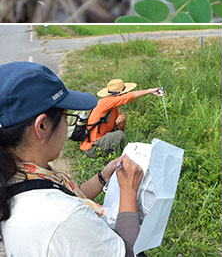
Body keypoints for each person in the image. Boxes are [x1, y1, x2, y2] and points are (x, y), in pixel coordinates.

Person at [0, 61, 145, 256]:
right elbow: (127, 252)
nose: (67, 123)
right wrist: (129, 190)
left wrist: (103, 175)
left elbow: (65, 194)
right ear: (42, 126)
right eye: (65, 116)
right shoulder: (64, 218)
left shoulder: (15, 175)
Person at [80, 78, 162, 158]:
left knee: (120, 134)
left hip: (99, 141)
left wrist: (123, 118)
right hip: (91, 147)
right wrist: (150, 91)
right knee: (120, 135)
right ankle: (109, 156)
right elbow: (128, 97)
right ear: (119, 94)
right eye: (124, 93)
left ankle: (111, 153)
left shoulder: (114, 107)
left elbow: (120, 128)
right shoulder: (105, 102)